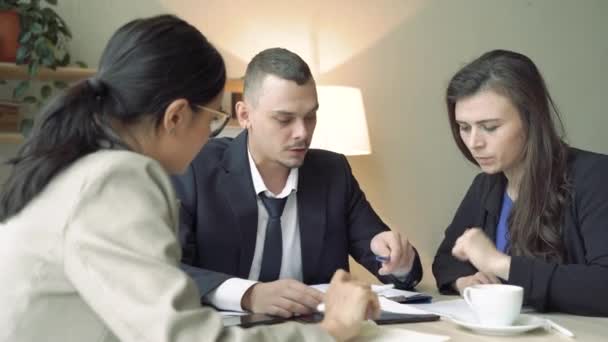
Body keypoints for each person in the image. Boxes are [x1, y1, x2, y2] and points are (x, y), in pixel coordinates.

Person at [0, 15, 381, 342]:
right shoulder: (117, 178)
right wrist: (330, 329)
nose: (213, 135)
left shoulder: (78, 165)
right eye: (214, 118)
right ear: (177, 116)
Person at [172, 47, 423, 318]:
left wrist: (398, 261)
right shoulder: (195, 167)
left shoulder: (333, 172)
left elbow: (397, 272)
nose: (302, 133)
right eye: (284, 119)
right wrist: (249, 294)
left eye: (310, 117)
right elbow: (167, 270)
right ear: (245, 115)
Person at [432, 49, 608, 316]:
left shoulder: (594, 175)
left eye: (490, 127)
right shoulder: (485, 185)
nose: (474, 143)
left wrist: (499, 264)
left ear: (531, 119)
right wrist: (465, 282)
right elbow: (446, 261)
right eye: (464, 127)